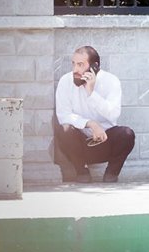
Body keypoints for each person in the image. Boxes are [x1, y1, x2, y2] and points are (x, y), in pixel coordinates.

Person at [55, 46, 135, 183]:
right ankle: (81, 172)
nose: (75, 70)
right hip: (78, 146)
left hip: (105, 142)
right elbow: (63, 115)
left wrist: (92, 93)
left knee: (127, 134)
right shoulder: (65, 81)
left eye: (80, 65)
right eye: (73, 64)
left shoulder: (111, 81)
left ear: (94, 67)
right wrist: (91, 124)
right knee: (65, 129)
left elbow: (113, 114)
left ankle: (111, 174)